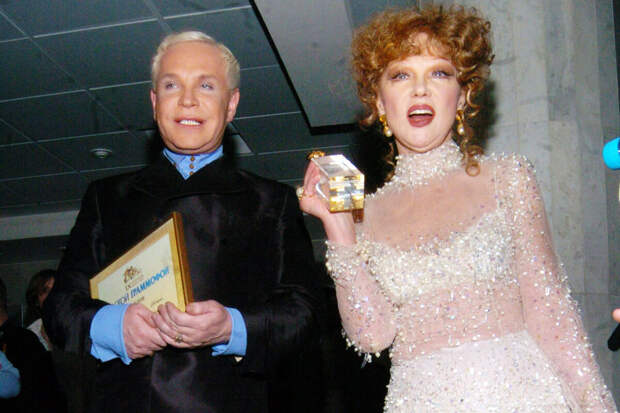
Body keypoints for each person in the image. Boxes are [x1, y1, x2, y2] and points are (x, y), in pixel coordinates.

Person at [299, 5, 617, 412]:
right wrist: (339, 231)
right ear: (378, 101)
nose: (420, 89)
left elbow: (551, 310)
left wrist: (597, 406)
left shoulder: (509, 178)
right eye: (401, 75)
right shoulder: (364, 214)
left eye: (439, 73)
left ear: (463, 94)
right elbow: (371, 336)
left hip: (523, 397)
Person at [43, 31, 322, 413]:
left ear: (231, 104)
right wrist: (113, 326)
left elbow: (305, 314)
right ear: (154, 102)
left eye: (206, 85)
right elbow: (59, 308)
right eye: (172, 85)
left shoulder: (272, 201)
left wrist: (231, 328)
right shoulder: (106, 198)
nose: (188, 99)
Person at [25, 269, 55, 350]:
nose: (52, 295)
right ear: (36, 300)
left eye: (56, 289)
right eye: (46, 291)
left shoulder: (77, 328)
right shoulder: (29, 336)